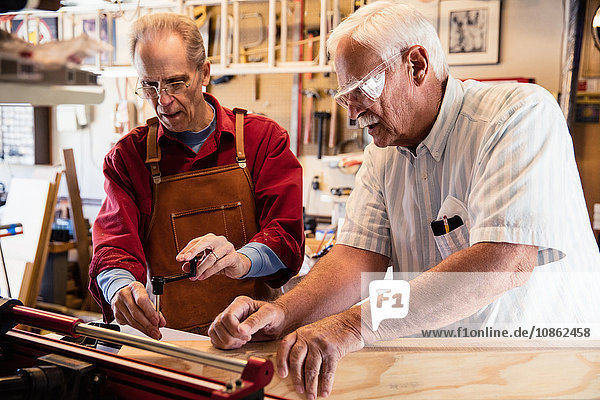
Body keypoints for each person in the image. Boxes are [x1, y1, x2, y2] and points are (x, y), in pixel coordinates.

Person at [207, 2, 600, 399]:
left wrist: (352, 325)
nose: (354, 113)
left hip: (549, 371)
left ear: (416, 65)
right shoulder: (384, 152)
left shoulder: (517, 116)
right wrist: (283, 313)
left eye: (364, 89)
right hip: (453, 374)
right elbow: (355, 260)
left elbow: (503, 262)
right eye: (346, 97)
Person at [90, 13, 304, 339]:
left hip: (253, 339)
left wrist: (241, 260)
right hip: (169, 343)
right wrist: (120, 287)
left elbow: (286, 236)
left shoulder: (263, 140)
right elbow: (114, 246)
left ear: (204, 72)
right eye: (150, 85)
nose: (162, 100)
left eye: (176, 83)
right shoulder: (128, 157)